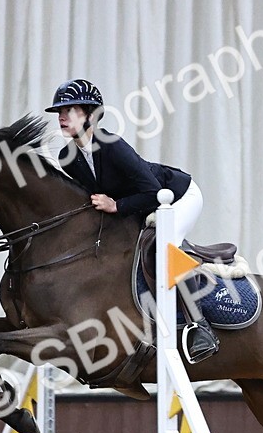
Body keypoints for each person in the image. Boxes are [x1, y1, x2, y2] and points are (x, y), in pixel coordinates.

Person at [45, 78, 218, 363]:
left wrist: (117, 205)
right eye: (59, 112)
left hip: (177, 196)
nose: (62, 117)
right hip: (141, 204)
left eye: (71, 110)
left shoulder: (112, 146)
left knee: (164, 252)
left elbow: (152, 191)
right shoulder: (67, 157)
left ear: (90, 115)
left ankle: (199, 325)